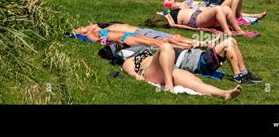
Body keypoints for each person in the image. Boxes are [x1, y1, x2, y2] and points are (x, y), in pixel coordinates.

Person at [101, 43, 242, 100]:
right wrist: (138, 77)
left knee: (196, 83)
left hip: (169, 70)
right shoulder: (130, 60)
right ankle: (169, 85)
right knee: (166, 47)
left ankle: (224, 94)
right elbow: (132, 73)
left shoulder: (146, 52)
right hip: (151, 73)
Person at [73, 23, 220, 49]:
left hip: (135, 32)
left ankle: (202, 44)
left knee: (172, 37)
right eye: (82, 28)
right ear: (84, 32)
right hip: (132, 36)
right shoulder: (95, 34)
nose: (88, 25)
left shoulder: (102, 28)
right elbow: (99, 40)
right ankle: (197, 46)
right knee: (167, 41)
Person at [159, 0, 248, 35]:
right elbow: (173, 25)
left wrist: (180, 5)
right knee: (217, 9)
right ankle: (226, 31)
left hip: (199, 15)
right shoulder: (167, 14)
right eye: (169, 0)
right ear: (167, 5)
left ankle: (239, 30)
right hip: (195, 20)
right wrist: (196, 30)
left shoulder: (181, 7)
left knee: (226, 8)